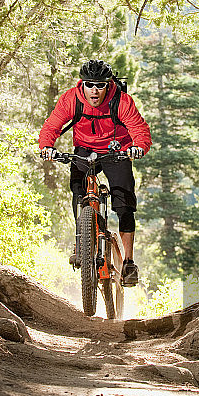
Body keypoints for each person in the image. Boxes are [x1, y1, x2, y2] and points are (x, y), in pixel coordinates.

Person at [39, 59, 151, 286]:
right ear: (82, 84)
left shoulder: (121, 101)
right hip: (85, 150)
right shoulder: (71, 98)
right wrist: (47, 147)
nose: (94, 90)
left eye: (100, 85)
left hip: (116, 150)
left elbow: (140, 129)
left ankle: (128, 262)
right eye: (89, 84)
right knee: (78, 189)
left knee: (124, 202)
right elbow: (52, 126)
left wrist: (138, 147)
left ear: (108, 85)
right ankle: (82, 243)